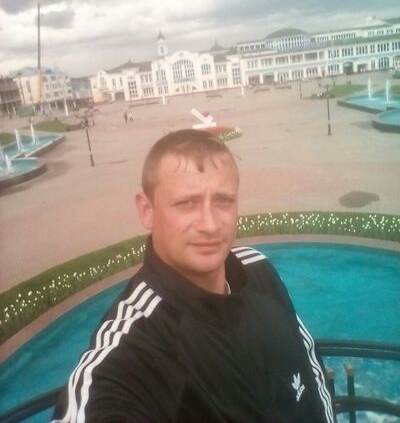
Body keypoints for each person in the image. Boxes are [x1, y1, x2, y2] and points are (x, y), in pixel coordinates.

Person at [53, 129, 335, 423]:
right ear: (147, 211)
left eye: (224, 200)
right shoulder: (133, 346)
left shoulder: (258, 270)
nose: (210, 225)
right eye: (187, 203)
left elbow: (311, 371)